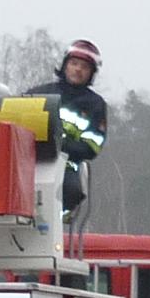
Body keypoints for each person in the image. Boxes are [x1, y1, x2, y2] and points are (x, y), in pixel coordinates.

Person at [25, 38, 108, 214]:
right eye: (74, 63)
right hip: (29, 161)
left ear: (91, 73)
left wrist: (58, 144)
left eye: (84, 67)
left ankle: (59, 220)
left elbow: (92, 147)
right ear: (65, 65)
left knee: (70, 192)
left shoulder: (95, 104)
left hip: (67, 166)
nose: (78, 69)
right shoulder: (38, 93)